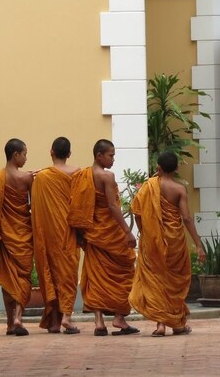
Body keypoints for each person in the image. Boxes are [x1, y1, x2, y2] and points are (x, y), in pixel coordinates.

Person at [129, 151, 206, 336]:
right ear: (177, 168)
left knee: (157, 280)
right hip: (175, 242)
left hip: (152, 241)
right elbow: (186, 218)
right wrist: (198, 244)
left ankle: (160, 325)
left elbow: (137, 212)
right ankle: (177, 324)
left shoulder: (149, 186)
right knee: (173, 281)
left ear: (159, 168)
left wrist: (145, 233)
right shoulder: (179, 189)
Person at [73, 139, 139, 336]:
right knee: (126, 269)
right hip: (109, 231)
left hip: (94, 233)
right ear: (99, 155)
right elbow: (112, 206)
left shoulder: (82, 176)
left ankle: (99, 322)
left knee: (94, 276)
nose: (113, 160)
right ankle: (119, 318)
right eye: (111, 155)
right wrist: (127, 231)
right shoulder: (106, 176)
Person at [0, 138, 35, 336]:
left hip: (4, 233)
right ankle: (19, 317)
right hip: (22, 232)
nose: (26, 158)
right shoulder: (26, 179)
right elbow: (34, 206)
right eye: (25, 154)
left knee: (7, 279)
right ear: (16, 155)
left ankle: (10, 323)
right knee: (23, 277)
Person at [31, 136, 82, 334]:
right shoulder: (78, 173)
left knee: (50, 274)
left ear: (51, 152)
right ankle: (66, 317)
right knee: (68, 275)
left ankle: (54, 321)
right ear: (69, 154)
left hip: (49, 235)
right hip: (69, 233)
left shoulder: (42, 177)